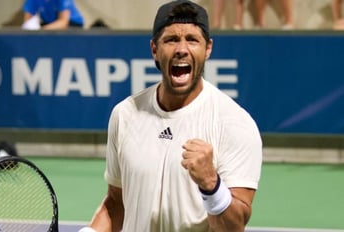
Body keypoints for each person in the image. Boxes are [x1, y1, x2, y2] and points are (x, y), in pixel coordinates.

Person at [79, 0, 262, 231]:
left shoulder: (235, 123)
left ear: (208, 49)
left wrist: (211, 185)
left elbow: (234, 227)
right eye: (171, 39)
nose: (181, 49)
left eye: (192, 40)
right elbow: (116, 203)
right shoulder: (125, 114)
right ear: (155, 49)